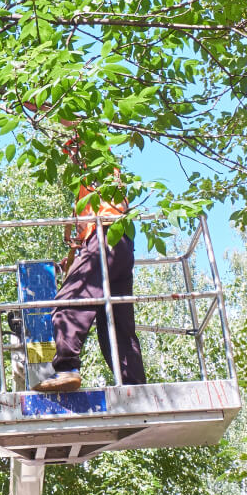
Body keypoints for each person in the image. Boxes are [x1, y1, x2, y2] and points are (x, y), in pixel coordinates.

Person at [33, 135, 146, 392]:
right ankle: (135, 387)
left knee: (69, 302)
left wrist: (42, 102)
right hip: (119, 245)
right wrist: (74, 259)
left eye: (73, 149)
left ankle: (67, 370)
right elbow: (82, 238)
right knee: (116, 323)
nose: (70, 155)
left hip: (106, 235)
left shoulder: (100, 162)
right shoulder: (89, 191)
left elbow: (82, 125)